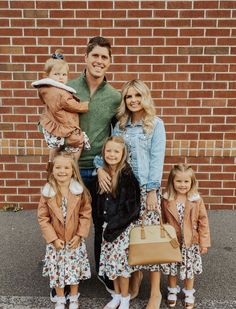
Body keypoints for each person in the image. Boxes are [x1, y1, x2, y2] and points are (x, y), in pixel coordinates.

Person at [96, 79, 166, 309]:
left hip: (146, 189)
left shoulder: (155, 124)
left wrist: (153, 190)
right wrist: (99, 168)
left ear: (145, 97)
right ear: (124, 100)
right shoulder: (121, 126)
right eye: (128, 96)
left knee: (152, 238)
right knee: (127, 239)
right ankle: (134, 278)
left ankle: (156, 292)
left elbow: (157, 159)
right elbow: (108, 151)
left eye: (138, 95)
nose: (133, 100)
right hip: (124, 191)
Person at [67, 36, 122, 293]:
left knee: (102, 223)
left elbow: (119, 135)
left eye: (104, 58)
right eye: (95, 56)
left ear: (109, 63)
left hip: (100, 170)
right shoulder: (67, 88)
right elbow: (47, 121)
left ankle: (103, 271)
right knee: (69, 222)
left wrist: (105, 166)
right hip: (71, 168)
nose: (99, 61)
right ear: (86, 58)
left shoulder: (114, 96)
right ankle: (67, 276)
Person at [37, 152, 92, 309]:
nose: (62, 171)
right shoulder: (47, 193)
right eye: (58, 167)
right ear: (52, 170)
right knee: (57, 271)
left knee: (74, 269)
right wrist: (53, 239)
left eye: (66, 167)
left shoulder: (79, 192)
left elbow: (85, 215)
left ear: (73, 171)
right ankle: (60, 297)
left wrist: (80, 235)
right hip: (56, 242)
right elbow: (43, 218)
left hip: (74, 240)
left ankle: (74, 297)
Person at [97, 136, 141, 309]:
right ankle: (115, 295)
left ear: (123, 154)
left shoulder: (127, 175)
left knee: (121, 268)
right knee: (111, 265)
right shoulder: (104, 173)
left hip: (121, 230)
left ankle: (125, 298)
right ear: (103, 153)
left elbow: (133, 208)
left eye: (116, 151)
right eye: (108, 150)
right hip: (107, 228)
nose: (112, 154)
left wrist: (115, 227)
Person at [32, 49, 90, 174]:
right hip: (60, 125)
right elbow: (69, 104)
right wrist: (84, 106)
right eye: (57, 74)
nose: (61, 78)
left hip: (58, 123)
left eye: (64, 75)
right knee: (77, 143)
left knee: (59, 148)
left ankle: (55, 165)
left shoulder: (51, 89)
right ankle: (67, 167)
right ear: (47, 75)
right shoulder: (56, 91)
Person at [161, 163, 211, 309]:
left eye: (186, 181)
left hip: (190, 242)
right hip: (172, 241)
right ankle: (172, 291)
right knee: (172, 268)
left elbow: (203, 221)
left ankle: (189, 293)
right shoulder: (166, 199)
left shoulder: (196, 200)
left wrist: (204, 242)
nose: (182, 185)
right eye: (178, 181)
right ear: (172, 181)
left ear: (192, 182)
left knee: (189, 269)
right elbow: (162, 220)